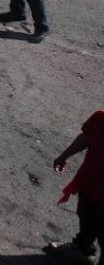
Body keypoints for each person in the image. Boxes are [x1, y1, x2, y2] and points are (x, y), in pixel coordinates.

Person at [44, 109, 104, 262]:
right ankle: (83, 248)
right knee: (86, 215)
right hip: (90, 184)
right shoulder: (100, 118)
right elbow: (86, 138)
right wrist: (64, 156)